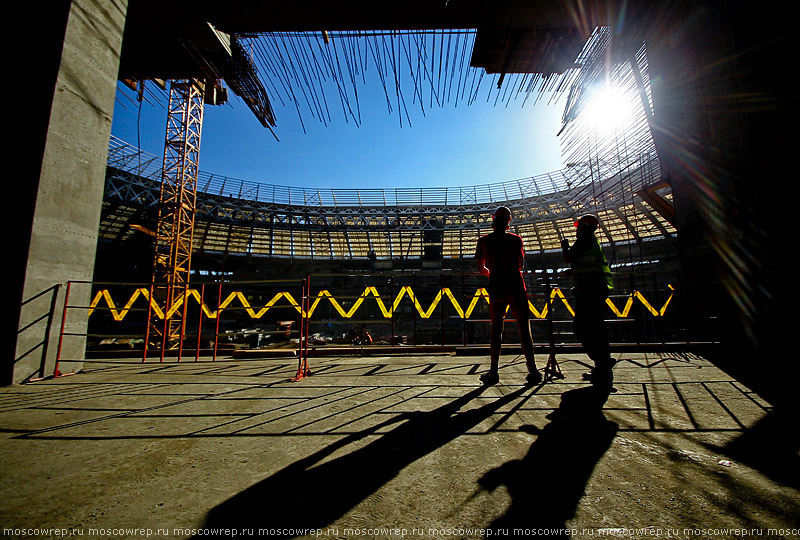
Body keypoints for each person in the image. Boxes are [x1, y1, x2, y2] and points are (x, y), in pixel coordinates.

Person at [475, 206, 541, 386]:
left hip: (496, 287)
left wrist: (493, 273)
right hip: (516, 286)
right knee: (524, 330)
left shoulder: (483, 241)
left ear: (493, 220)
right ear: (508, 222)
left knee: (496, 330)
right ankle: (533, 370)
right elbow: (520, 264)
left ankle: (493, 371)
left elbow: (481, 268)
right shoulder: (516, 240)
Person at [561, 214, 615, 389]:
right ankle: (603, 365)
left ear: (584, 227)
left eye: (578, 227)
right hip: (596, 289)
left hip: (589, 291)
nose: (577, 230)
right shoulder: (591, 241)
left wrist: (564, 247)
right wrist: (574, 272)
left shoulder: (584, 239)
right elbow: (584, 262)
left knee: (583, 327)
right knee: (595, 327)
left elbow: (569, 257)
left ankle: (603, 363)